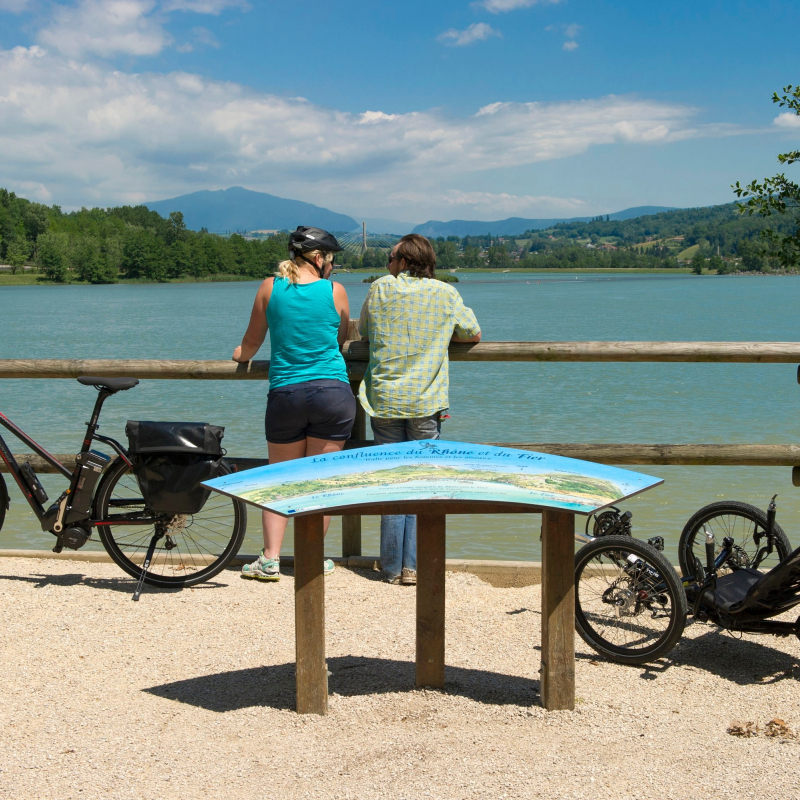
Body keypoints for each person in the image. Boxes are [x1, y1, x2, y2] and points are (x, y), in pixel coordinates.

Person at [233, 226, 355, 581]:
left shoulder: (270, 287)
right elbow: (341, 338)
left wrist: (239, 354)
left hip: (286, 393)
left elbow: (251, 344)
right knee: (321, 480)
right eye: (331, 260)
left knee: (279, 479)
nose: (332, 267)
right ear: (318, 259)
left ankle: (270, 558)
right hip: (332, 393)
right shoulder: (336, 291)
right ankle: (312, 557)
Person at [358, 234, 481, 585]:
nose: (387, 264)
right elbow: (472, 333)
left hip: (384, 399)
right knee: (423, 481)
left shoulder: (380, 288)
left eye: (391, 257)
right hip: (426, 400)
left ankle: (393, 566)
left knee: (393, 481)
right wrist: (441, 336)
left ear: (404, 261)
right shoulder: (445, 293)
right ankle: (414, 566)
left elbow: (365, 330)